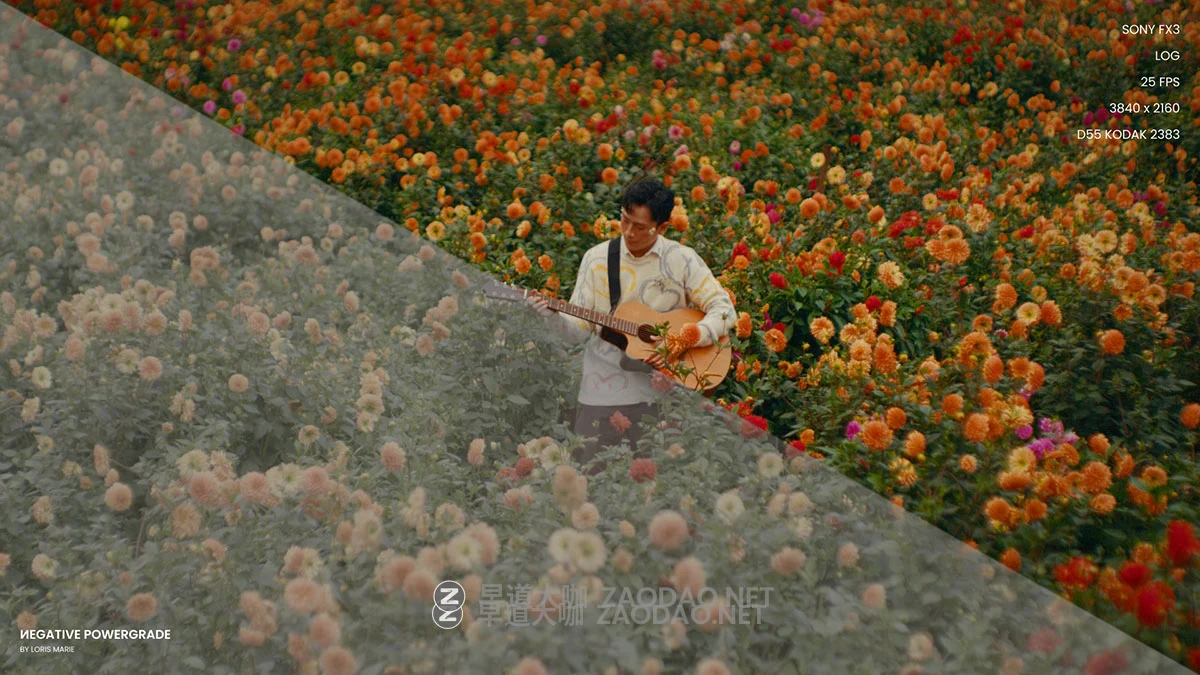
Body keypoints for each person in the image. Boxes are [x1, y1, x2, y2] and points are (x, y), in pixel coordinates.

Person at [527, 178, 736, 474]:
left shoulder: (682, 261)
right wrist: (550, 316)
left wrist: (689, 337)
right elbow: (576, 332)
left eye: (639, 226)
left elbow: (724, 310)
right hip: (599, 398)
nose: (628, 232)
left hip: (662, 403)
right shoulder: (597, 259)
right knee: (590, 487)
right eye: (624, 220)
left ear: (662, 227)